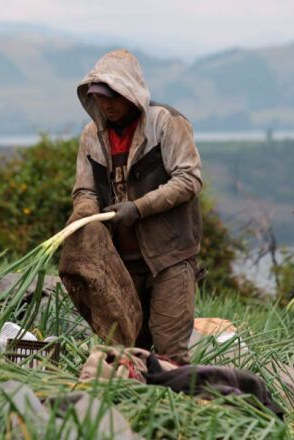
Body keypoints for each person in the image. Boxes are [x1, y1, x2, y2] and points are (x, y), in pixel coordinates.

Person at [71, 49, 203, 363]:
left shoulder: (166, 123)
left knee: (170, 352)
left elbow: (189, 179)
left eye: (113, 96)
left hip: (169, 257)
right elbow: (85, 189)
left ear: (131, 91)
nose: (106, 104)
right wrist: (86, 213)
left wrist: (138, 207)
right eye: (100, 97)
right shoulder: (92, 136)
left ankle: (173, 405)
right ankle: (132, 408)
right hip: (121, 263)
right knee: (128, 351)